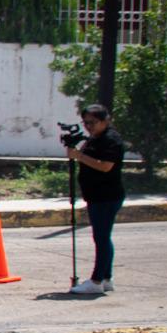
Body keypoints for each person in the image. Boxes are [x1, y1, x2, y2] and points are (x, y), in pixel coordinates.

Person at [67, 103, 125, 296]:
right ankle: (106, 278)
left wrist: (79, 156)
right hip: (97, 195)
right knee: (103, 237)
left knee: (101, 238)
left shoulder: (111, 140)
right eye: (85, 123)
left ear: (104, 121)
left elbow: (105, 166)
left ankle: (96, 280)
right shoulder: (97, 138)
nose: (88, 126)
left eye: (92, 122)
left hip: (106, 196)